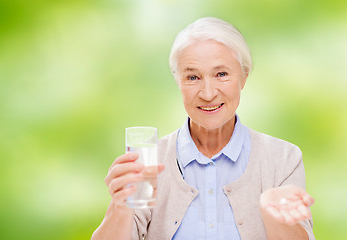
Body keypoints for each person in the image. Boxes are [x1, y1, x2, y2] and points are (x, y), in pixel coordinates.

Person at [92, 17, 315, 240]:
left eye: (221, 74)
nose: (208, 94)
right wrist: (119, 208)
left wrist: (275, 215)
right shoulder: (149, 162)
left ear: (244, 77)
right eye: (193, 77)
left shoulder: (282, 158)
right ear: (177, 81)